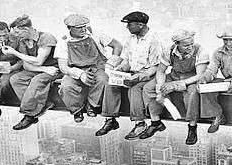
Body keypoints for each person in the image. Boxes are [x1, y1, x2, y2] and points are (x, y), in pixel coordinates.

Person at [95, 11, 166, 139]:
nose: (127, 27)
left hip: (148, 75)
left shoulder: (154, 41)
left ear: (140, 25)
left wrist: (138, 77)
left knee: (134, 89)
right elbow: (127, 60)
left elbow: (155, 67)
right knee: (111, 85)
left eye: (130, 25)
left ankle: (140, 123)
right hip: (132, 73)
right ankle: (110, 120)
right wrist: (119, 70)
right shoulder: (131, 39)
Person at [144, 29, 209, 145]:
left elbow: (199, 75)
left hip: (191, 79)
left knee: (193, 94)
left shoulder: (200, 51)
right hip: (175, 75)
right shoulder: (169, 51)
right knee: (149, 87)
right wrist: (160, 91)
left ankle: (192, 127)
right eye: (185, 45)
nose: (190, 47)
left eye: (191, 44)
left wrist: (174, 86)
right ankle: (155, 121)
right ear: (177, 44)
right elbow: (161, 71)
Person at [55, 14, 123, 123]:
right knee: (66, 86)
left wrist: (110, 64)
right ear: (69, 28)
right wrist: (80, 74)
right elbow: (63, 67)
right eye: (79, 27)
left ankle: (92, 105)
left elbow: (118, 45)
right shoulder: (63, 42)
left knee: (102, 81)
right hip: (75, 70)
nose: (83, 29)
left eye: (84, 26)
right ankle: (77, 109)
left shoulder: (95, 34)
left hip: (97, 67)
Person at [4, 15, 61, 130]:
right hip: (42, 69)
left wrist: (15, 53)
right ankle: (43, 104)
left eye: (17, 32)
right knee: (15, 79)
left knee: (37, 81)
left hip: (55, 69)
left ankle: (29, 115)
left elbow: (39, 61)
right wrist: (44, 69)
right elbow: (26, 64)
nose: (16, 35)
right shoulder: (22, 41)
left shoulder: (46, 38)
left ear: (25, 30)